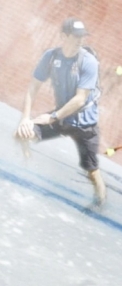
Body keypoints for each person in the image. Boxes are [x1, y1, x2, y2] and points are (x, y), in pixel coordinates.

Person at [15, 17, 106, 206]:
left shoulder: (88, 62)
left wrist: (53, 116)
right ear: (63, 36)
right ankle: (26, 174)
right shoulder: (51, 56)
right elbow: (33, 87)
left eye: (83, 36)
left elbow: (80, 99)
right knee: (22, 134)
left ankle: (100, 204)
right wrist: (25, 119)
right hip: (59, 117)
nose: (80, 40)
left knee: (92, 171)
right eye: (76, 36)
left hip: (84, 125)